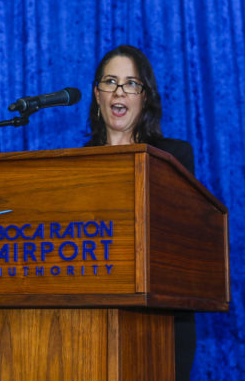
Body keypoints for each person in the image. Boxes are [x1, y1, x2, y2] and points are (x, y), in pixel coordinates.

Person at [86, 44, 196, 381]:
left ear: (144, 97)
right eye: (110, 82)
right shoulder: (77, 163)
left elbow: (183, 239)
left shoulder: (172, 157)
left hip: (160, 320)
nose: (119, 91)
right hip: (91, 321)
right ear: (97, 94)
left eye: (131, 83)